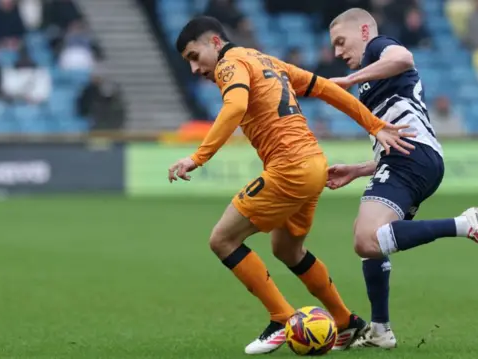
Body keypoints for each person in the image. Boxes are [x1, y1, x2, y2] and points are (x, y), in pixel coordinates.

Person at [168, 16, 416, 355]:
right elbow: (328, 88)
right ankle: (346, 323)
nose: (195, 68)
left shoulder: (230, 64)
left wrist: (198, 157)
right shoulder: (265, 60)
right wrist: (375, 125)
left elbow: (236, 106)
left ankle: (282, 319)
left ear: (214, 43)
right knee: (287, 249)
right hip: (314, 164)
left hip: (290, 169)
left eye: (194, 56)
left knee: (222, 240)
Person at [325, 8, 478, 349]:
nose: (337, 52)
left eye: (340, 42)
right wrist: (357, 169)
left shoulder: (378, 47)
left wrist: (349, 81)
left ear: (364, 31)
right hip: (409, 158)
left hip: (413, 160)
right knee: (369, 243)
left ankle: (465, 224)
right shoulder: (370, 80)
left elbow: (404, 57)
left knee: (367, 239)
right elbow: (396, 136)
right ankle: (380, 330)